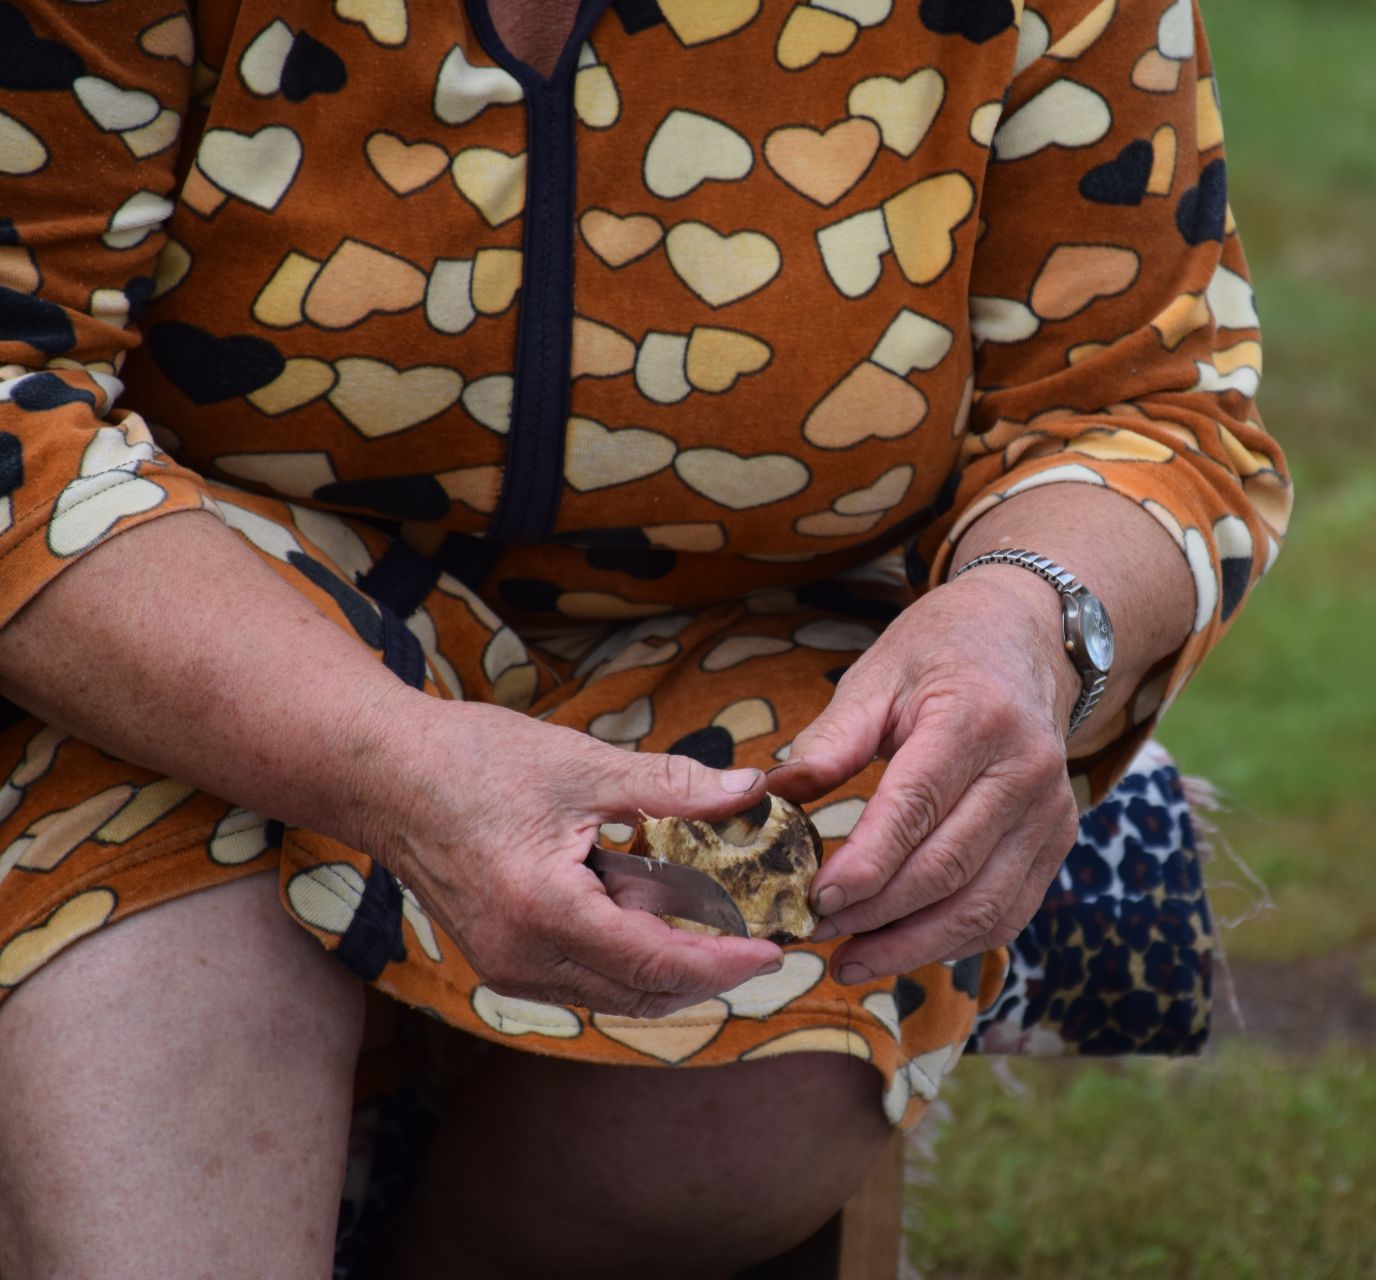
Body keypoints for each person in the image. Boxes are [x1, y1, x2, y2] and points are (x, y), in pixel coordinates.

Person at [0, 0, 1289, 1273]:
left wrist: (1024, 613)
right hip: (197, 624)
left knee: (718, 1130)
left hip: (760, 648)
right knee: (156, 1061)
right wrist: (386, 758)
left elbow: (1143, 399)